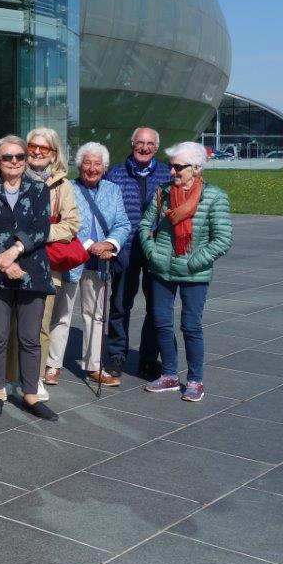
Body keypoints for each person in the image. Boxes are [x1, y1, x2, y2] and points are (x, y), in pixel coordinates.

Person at [0, 135, 57, 421]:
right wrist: (4, 262)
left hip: (33, 272)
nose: (15, 161)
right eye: (8, 157)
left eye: (20, 156)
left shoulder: (39, 188)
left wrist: (14, 250)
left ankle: (30, 394)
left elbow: (41, 228)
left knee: (30, 338)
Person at [140, 142, 232, 402]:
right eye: (171, 166)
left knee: (191, 325)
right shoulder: (163, 193)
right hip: (162, 268)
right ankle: (169, 375)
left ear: (196, 168)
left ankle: (195, 380)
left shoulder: (214, 196)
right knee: (161, 322)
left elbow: (223, 239)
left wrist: (194, 261)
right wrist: (152, 252)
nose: (172, 172)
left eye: (178, 167)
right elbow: (145, 225)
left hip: (195, 272)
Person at [43, 143, 131, 386]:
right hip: (71, 260)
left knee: (96, 315)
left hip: (100, 262)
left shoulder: (113, 190)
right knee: (62, 313)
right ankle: (52, 365)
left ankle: (94, 366)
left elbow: (123, 223)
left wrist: (111, 244)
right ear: (79, 165)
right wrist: (91, 243)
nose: (92, 168)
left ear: (105, 167)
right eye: (87, 163)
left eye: (97, 164)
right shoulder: (67, 187)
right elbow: (64, 222)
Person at [5, 127, 79, 400]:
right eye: (32, 146)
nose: (36, 151)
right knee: (11, 323)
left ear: (54, 154)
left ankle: (33, 379)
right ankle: (11, 376)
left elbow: (71, 225)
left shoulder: (62, 185)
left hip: (45, 263)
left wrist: (38, 233)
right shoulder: (11, 177)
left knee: (39, 325)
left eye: (43, 148)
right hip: (9, 260)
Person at [104, 127, 173, 379]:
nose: (144, 148)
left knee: (156, 306)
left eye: (150, 144)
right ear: (132, 144)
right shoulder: (115, 174)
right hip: (126, 248)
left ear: (156, 147)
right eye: (139, 143)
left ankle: (148, 358)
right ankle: (116, 354)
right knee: (120, 304)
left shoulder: (167, 174)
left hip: (157, 251)